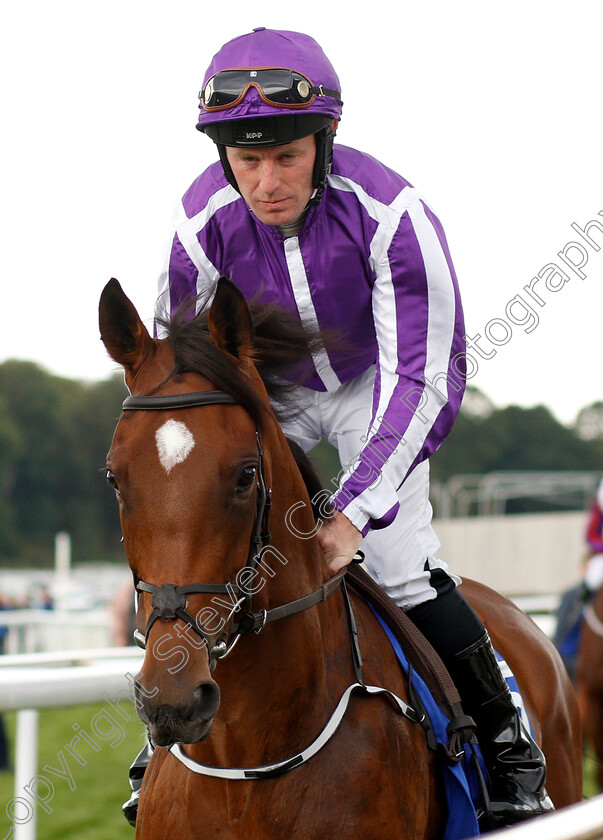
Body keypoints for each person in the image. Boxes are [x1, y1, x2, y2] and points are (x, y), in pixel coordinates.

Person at [123, 27, 553, 827]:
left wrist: (351, 510)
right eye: (246, 161)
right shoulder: (199, 225)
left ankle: (505, 743)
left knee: (396, 561)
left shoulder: (392, 215)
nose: (266, 180)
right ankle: (166, 741)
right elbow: (186, 373)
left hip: (374, 386)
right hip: (267, 389)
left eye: (286, 155)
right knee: (223, 544)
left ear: (324, 140)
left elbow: (423, 377)